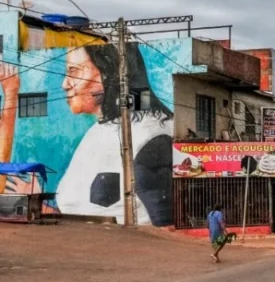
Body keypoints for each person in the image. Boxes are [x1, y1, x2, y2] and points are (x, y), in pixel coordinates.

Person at [0, 43, 173, 226]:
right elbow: (79, 217)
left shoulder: (149, 134)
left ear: (109, 72)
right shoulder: (100, 131)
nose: (65, 84)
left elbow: (163, 227)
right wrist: (38, 204)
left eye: (74, 71)